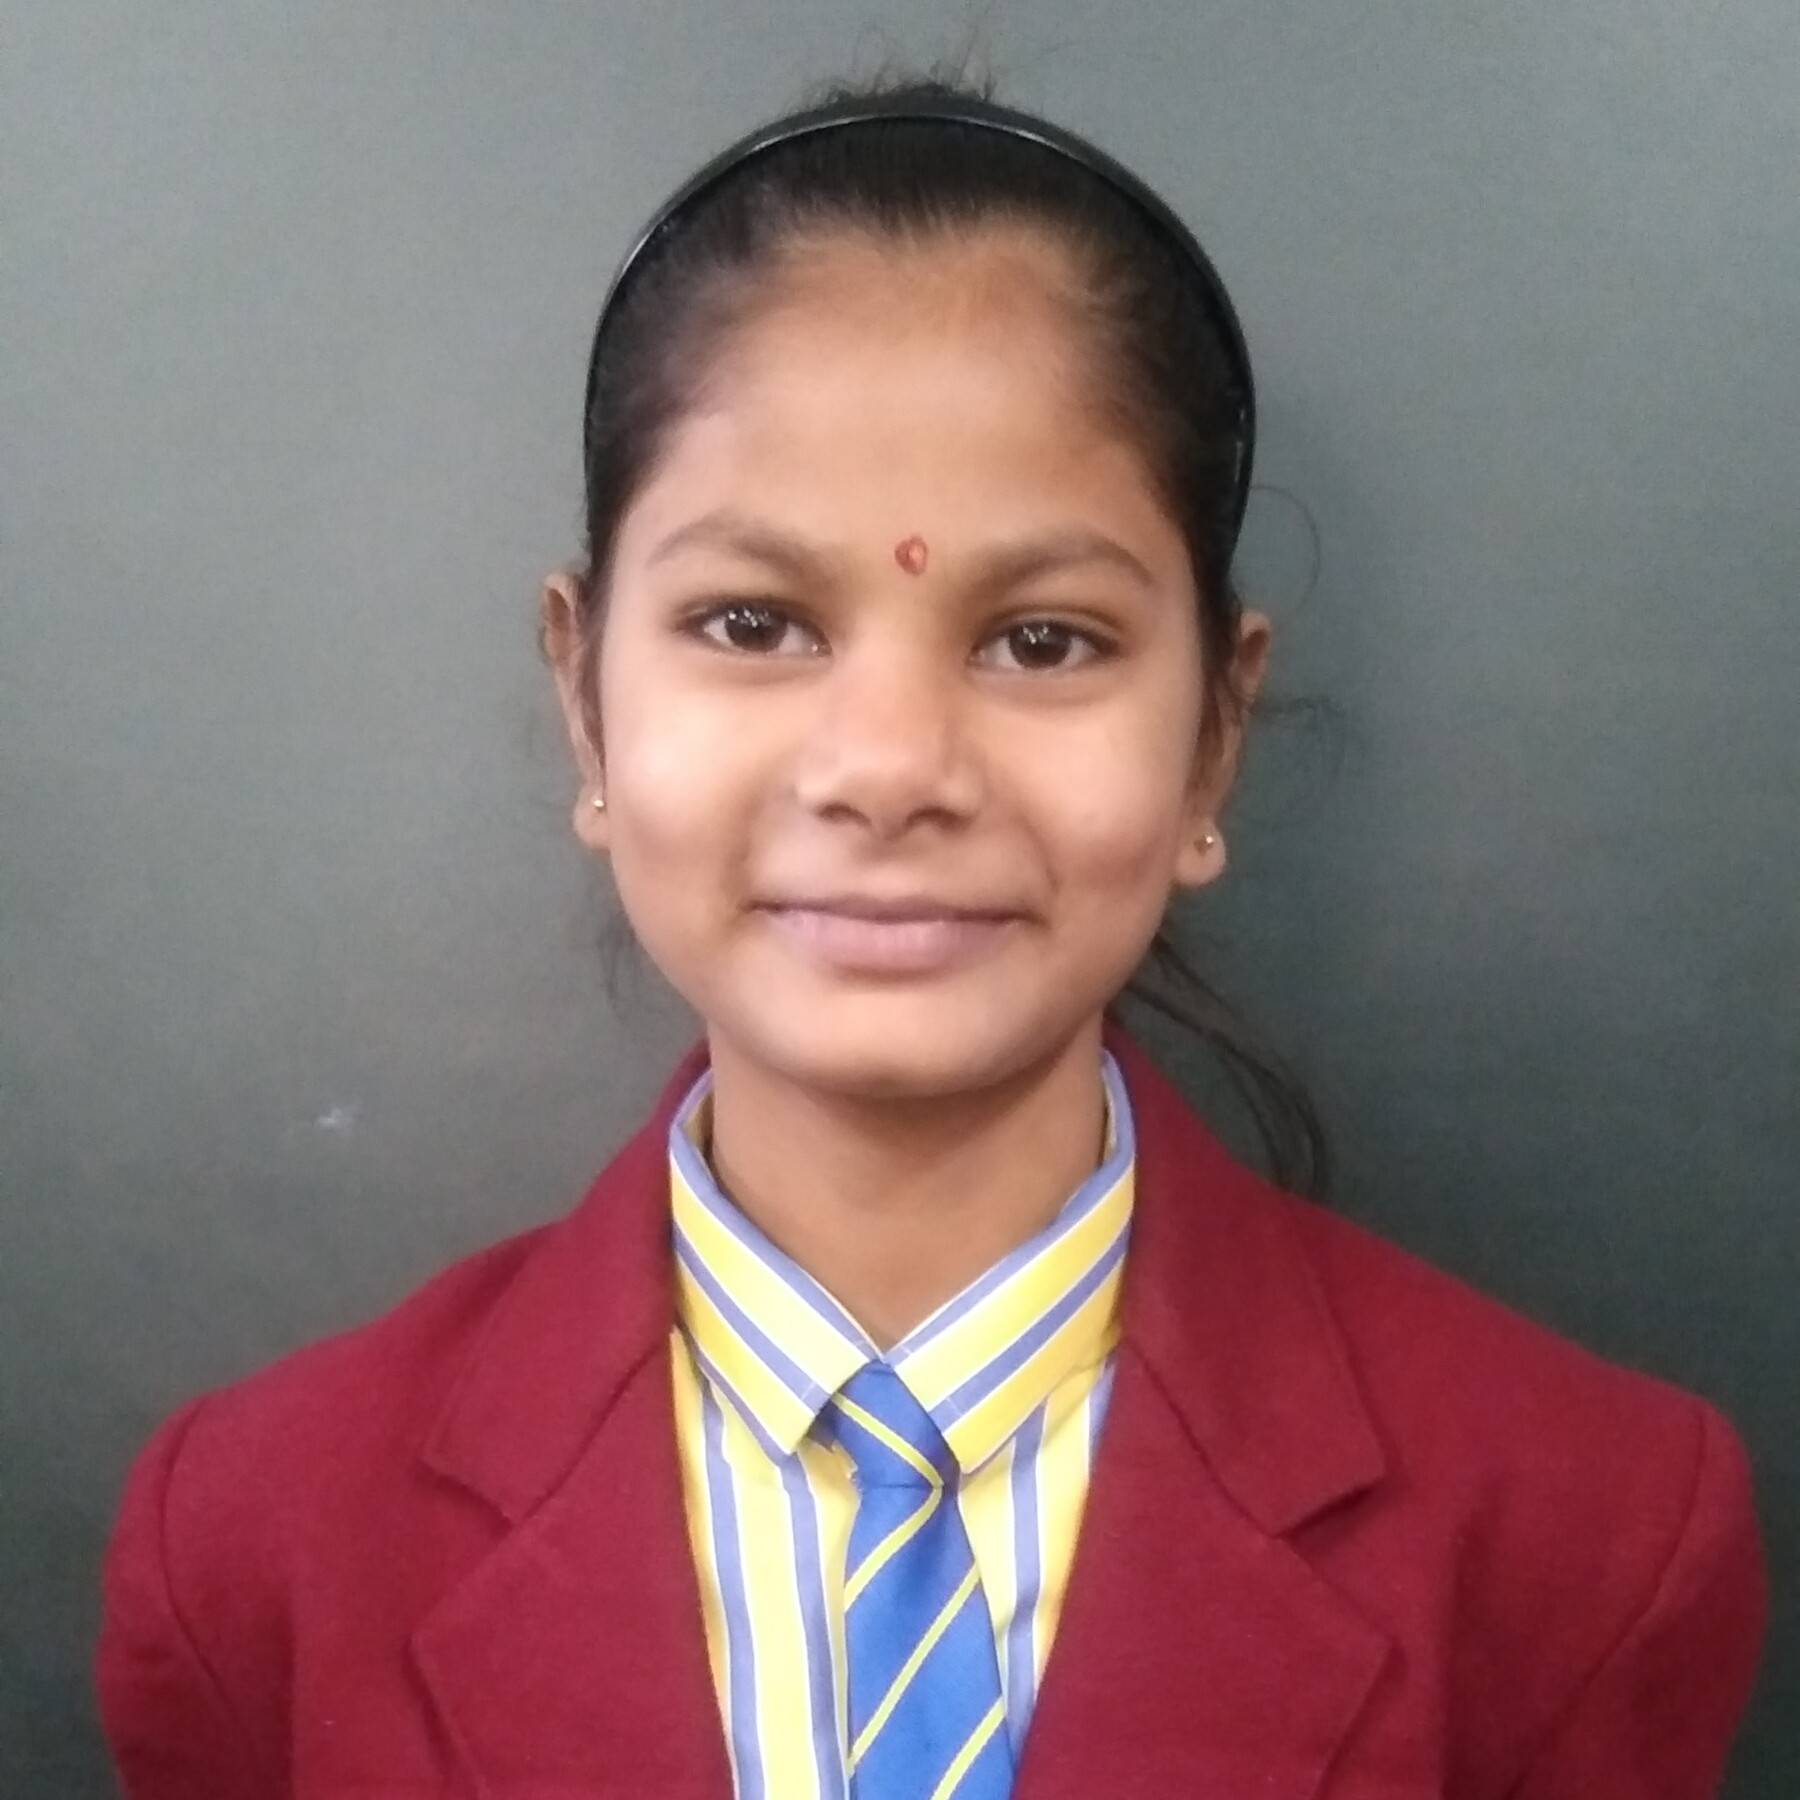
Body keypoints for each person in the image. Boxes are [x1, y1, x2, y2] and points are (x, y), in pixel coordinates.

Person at [96, 68, 1767, 1800]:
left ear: (1214, 733)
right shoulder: (255, 1552)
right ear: (586, 704)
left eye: (1043, 641)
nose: (890, 768)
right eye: (753, 622)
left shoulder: (1585, 1541)